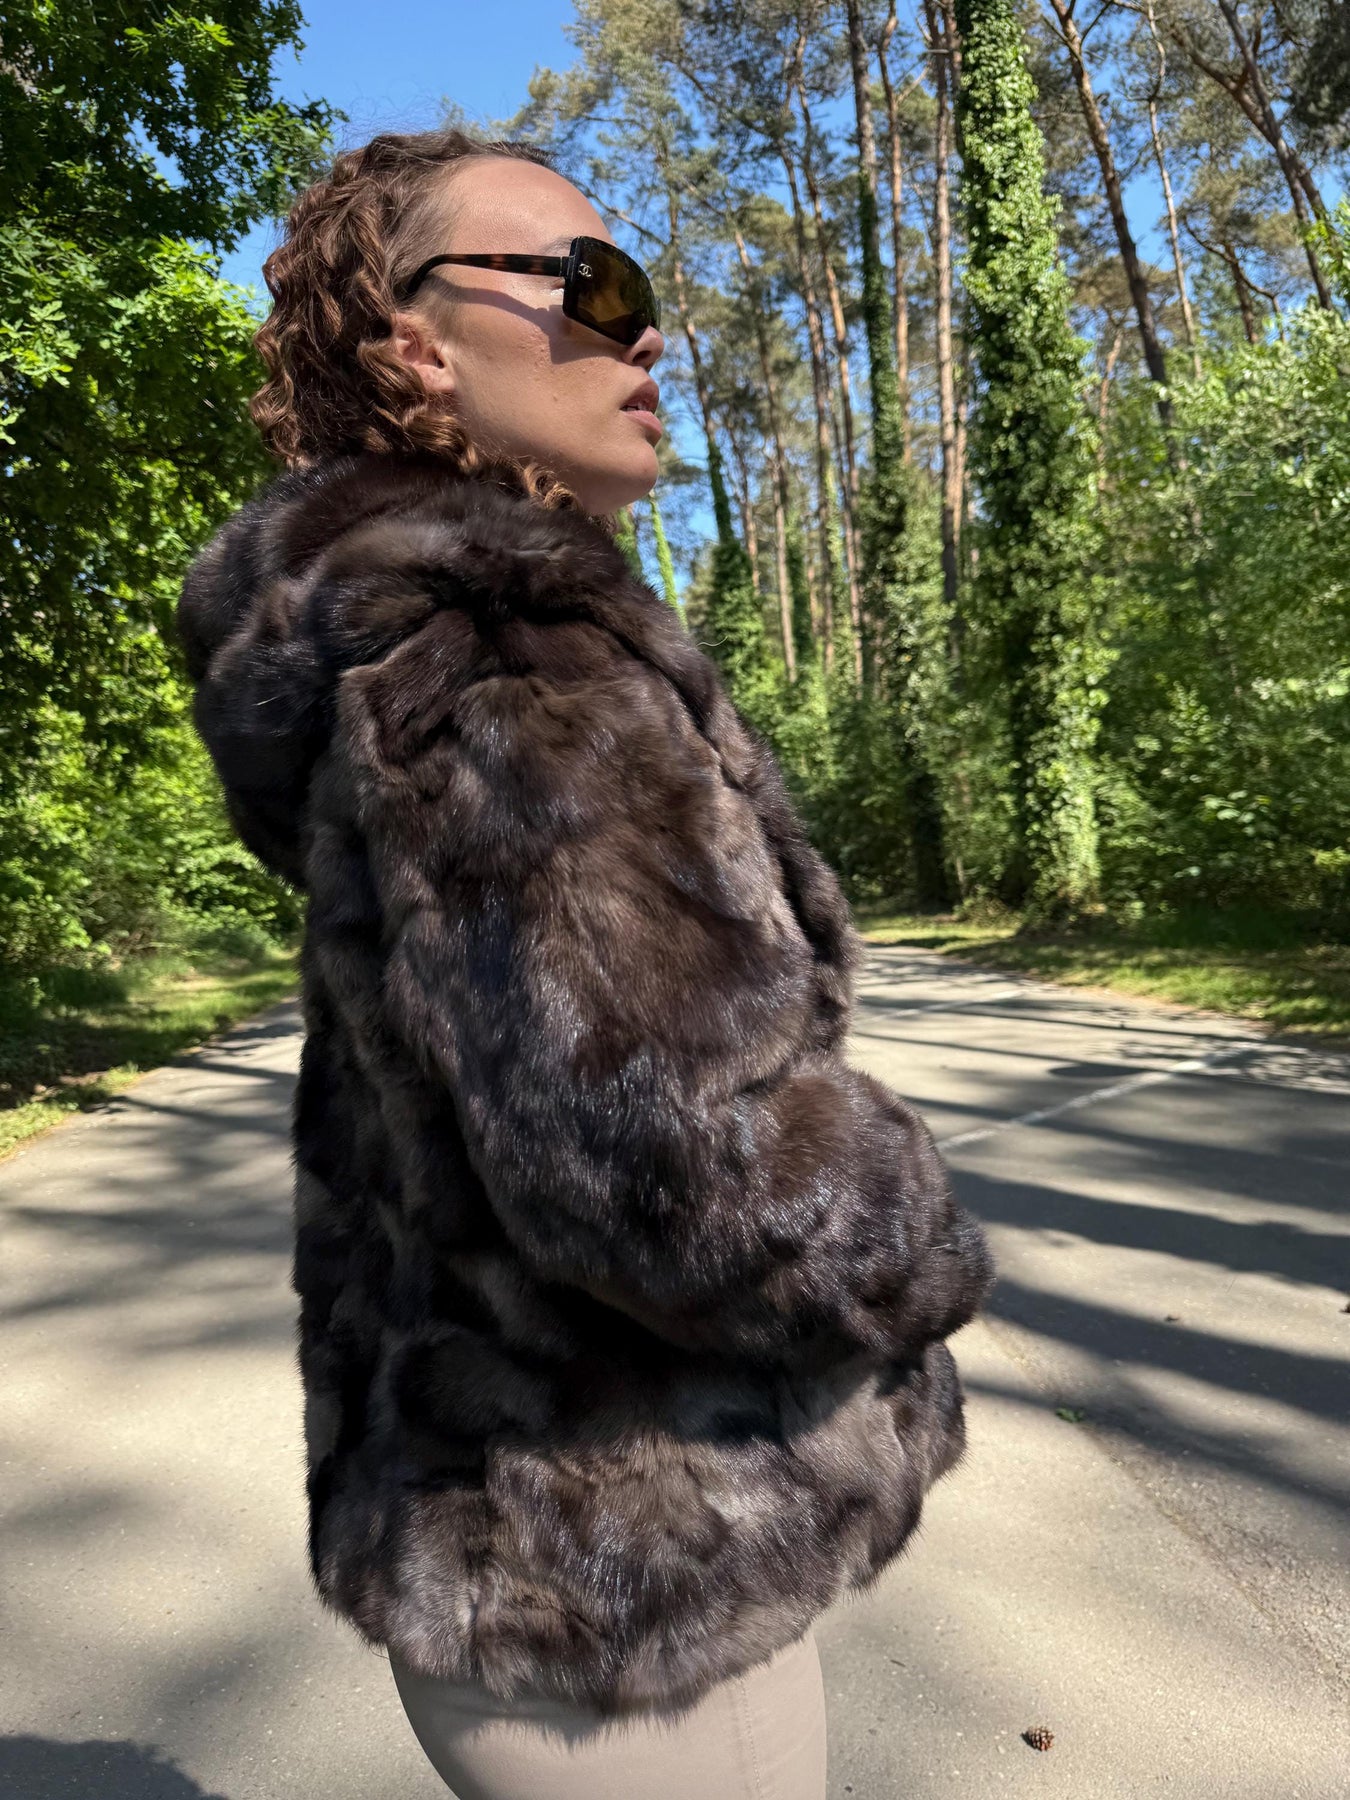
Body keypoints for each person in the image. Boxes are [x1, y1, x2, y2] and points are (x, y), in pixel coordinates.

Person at [177, 127, 996, 1800]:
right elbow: (663, 1158)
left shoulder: (376, 650)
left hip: (509, 1537)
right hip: (635, 1581)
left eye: (638, 286)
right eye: (588, 283)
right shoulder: (497, 643)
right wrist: (916, 1241)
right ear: (417, 342)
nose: (645, 329)